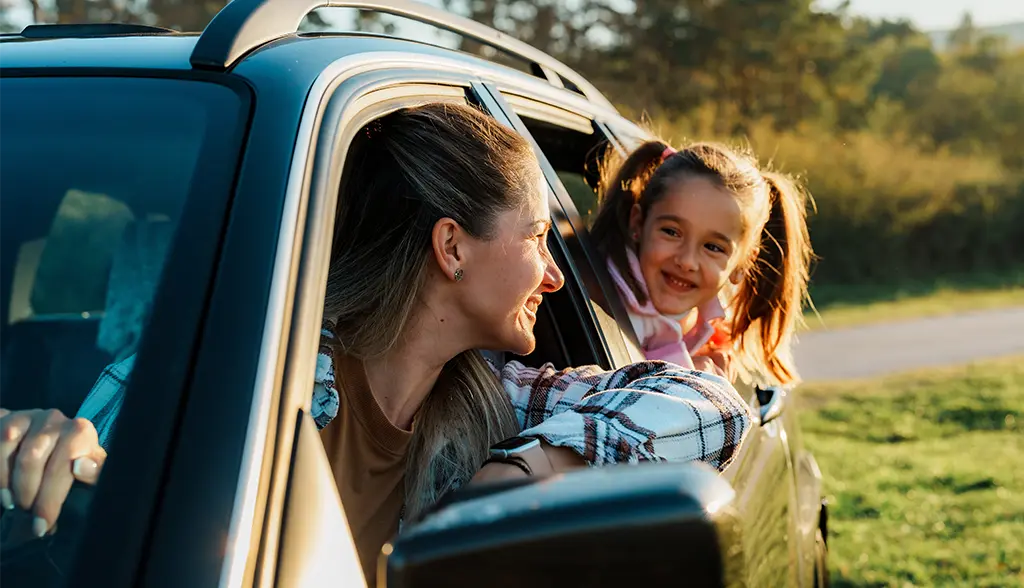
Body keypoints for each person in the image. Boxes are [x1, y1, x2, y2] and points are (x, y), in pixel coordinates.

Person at [0, 104, 754, 582]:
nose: (557, 277)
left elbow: (714, 406)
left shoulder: (505, 401)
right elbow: (71, 525)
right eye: (534, 237)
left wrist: (523, 469)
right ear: (451, 248)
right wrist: (37, 465)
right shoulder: (218, 384)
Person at [590, 141, 813, 385]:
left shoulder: (705, 321)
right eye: (671, 232)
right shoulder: (607, 303)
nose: (686, 261)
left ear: (743, 265)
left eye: (713, 247)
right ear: (638, 224)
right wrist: (696, 377)